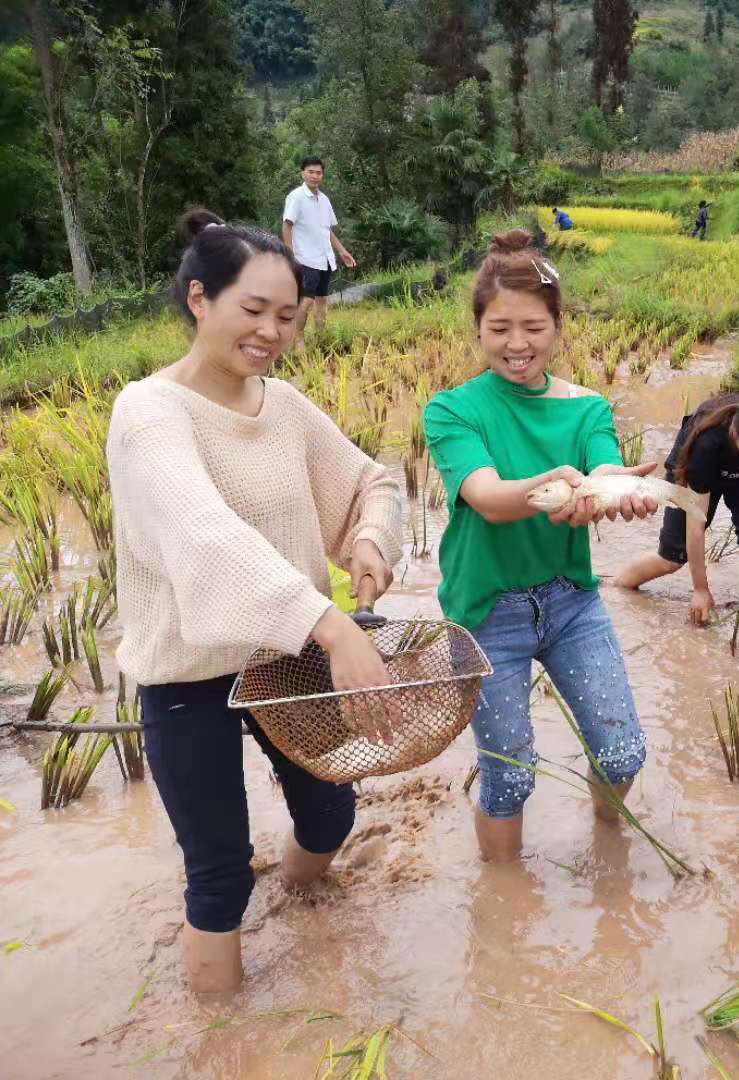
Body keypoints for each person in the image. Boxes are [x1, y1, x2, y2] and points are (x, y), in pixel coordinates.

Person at [106, 209, 403, 993]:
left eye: (287, 314)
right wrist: (334, 624)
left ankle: (308, 914)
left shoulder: (284, 406)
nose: (272, 330)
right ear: (199, 299)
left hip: (288, 658)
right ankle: (220, 1035)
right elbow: (202, 535)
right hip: (188, 675)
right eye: (254, 310)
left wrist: (369, 538)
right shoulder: (149, 412)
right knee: (219, 874)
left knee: (332, 818)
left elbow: (370, 480)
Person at [423, 229, 660, 863]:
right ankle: (504, 899)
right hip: (484, 614)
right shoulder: (450, 410)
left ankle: (609, 842)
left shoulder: (587, 408)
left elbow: (605, 470)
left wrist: (616, 488)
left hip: (569, 603)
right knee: (511, 775)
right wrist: (558, 482)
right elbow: (489, 498)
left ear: (558, 327)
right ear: (478, 329)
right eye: (500, 328)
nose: (517, 344)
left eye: (533, 326)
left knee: (622, 752)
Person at [615, 392, 739, 624]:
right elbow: (695, 524)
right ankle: (618, 587)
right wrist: (700, 589)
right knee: (672, 559)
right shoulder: (706, 445)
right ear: (735, 434)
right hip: (696, 470)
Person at [282, 157, 356, 350]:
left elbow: (327, 230)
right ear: (303, 173)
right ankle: (298, 340)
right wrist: (290, 255)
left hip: (324, 258)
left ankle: (321, 337)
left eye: (318, 173)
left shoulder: (324, 200)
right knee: (306, 300)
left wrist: (342, 251)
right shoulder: (296, 197)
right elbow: (287, 225)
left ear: (322, 175)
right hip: (305, 258)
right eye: (311, 172)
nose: (315, 176)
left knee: (322, 299)